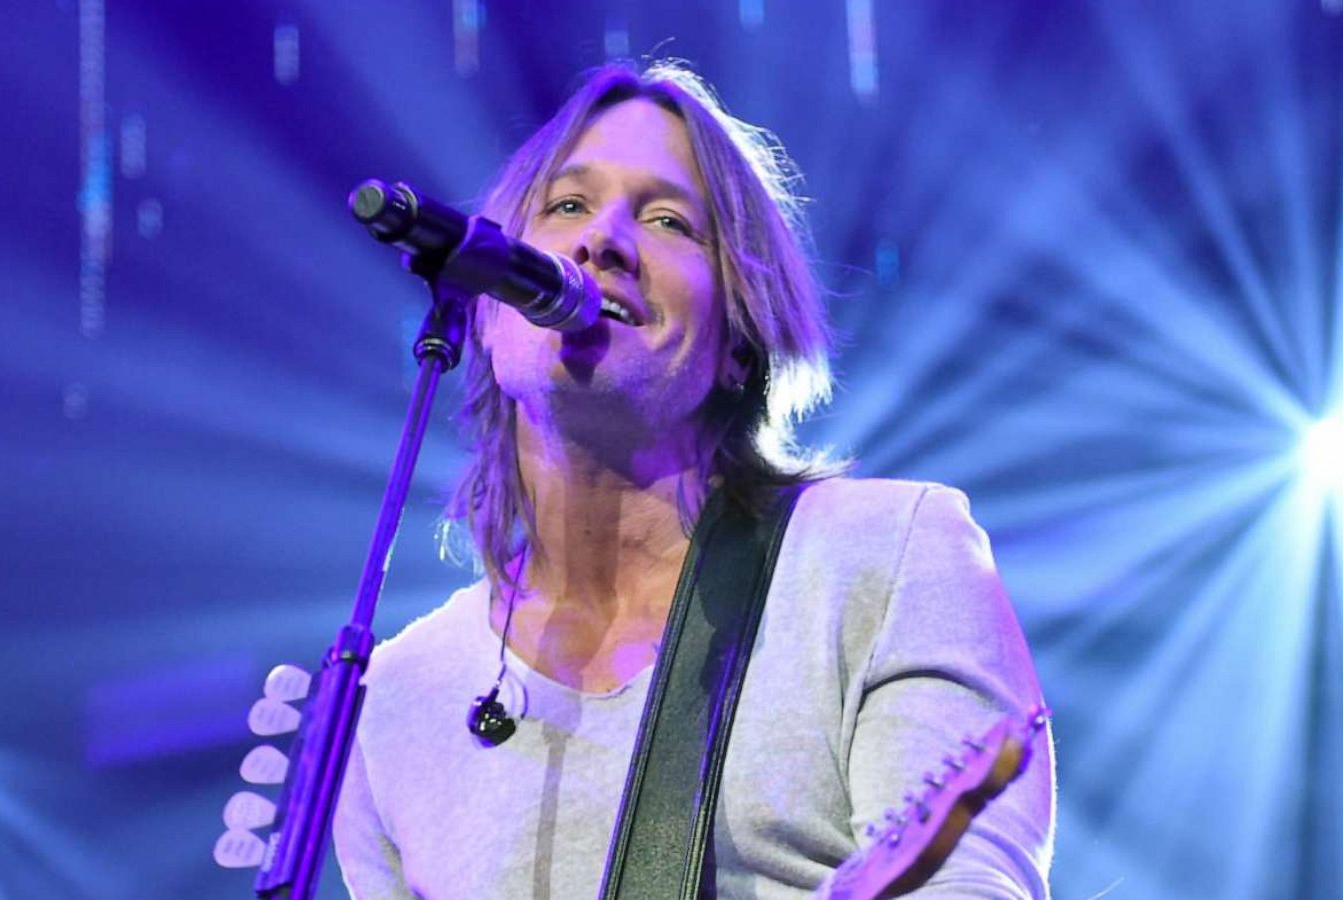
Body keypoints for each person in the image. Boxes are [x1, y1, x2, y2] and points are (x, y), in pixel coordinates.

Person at [333, 60, 1054, 899]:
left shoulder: (885, 557)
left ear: (740, 338)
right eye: (566, 205)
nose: (600, 241)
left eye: (670, 220)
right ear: (489, 317)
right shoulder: (395, 696)